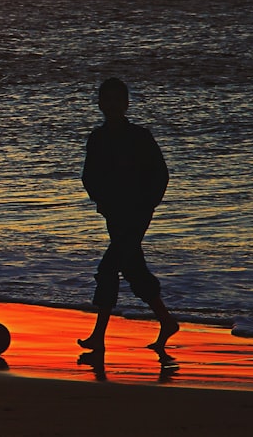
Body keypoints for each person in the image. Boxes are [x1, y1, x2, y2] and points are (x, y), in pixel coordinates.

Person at [78, 78, 178, 353]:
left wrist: (148, 205)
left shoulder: (140, 137)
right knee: (133, 269)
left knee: (108, 269)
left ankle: (98, 337)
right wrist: (102, 200)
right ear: (100, 104)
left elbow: (160, 174)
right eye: (107, 100)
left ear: (126, 104)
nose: (112, 105)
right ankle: (167, 321)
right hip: (114, 214)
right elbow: (89, 177)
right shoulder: (97, 140)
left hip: (137, 214)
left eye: (117, 100)